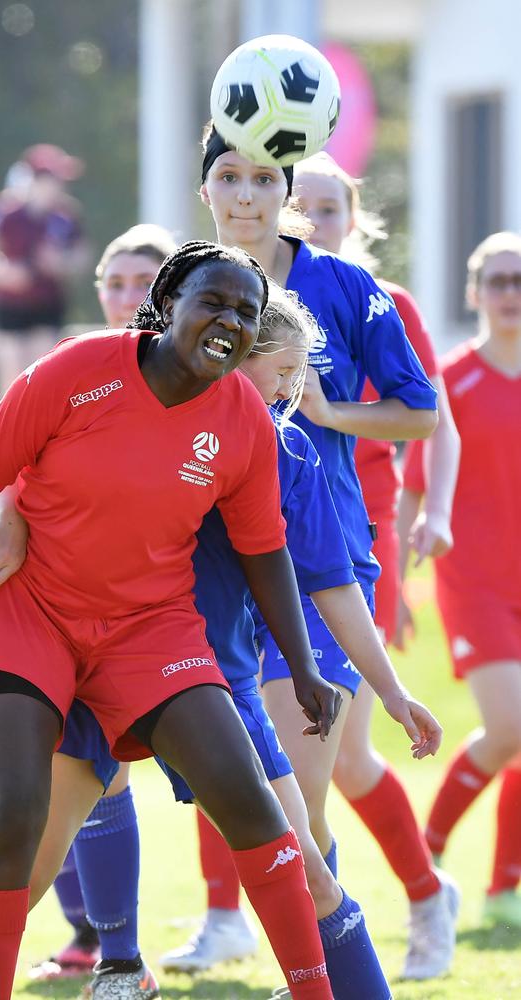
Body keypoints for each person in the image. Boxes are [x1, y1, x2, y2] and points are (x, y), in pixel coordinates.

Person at [0, 241, 346, 1000]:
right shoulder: (78, 369)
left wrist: (302, 669)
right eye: (214, 301)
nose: (229, 319)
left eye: (246, 311)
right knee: (11, 814)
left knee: (251, 802)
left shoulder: (244, 422)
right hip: (30, 610)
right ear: (168, 308)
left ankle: (315, 992)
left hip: (148, 627)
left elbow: (267, 554)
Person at [0, 282, 444, 1000]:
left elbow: (332, 586)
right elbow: (37, 461)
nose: (288, 395)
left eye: (296, 378)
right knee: (19, 866)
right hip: (93, 667)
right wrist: (10, 510)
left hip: (212, 682)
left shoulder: (288, 454)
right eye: (277, 374)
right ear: (227, 356)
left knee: (305, 865)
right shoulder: (137, 409)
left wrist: (394, 690)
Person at [181, 125, 444, 983]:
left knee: (298, 798)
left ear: (286, 189)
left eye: (265, 177)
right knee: (252, 801)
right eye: (230, 176)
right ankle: (145, 939)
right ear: (207, 189)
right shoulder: (188, 289)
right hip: (207, 580)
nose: (248, 195)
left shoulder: (346, 287)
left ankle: (329, 961)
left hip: (319, 569)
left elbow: (421, 412)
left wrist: (332, 417)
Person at [289, 152, 462, 980]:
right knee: (270, 749)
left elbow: (434, 417)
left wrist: (434, 509)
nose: (315, 221)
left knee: (338, 755)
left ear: (354, 221)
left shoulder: (375, 300)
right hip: (278, 540)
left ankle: (421, 900)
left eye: (330, 209)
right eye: (304, 206)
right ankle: (240, 921)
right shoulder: (258, 292)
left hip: (364, 537)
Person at [21, 222, 179, 985]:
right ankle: (97, 942)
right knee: (62, 768)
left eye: (142, 284)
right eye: (112, 283)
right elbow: (9, 463)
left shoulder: (199, 380)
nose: (125, 298)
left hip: (150, 615)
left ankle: (126, 951)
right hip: (53, 607)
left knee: (104, 771)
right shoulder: (70, 368)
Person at [400, 232, 521, 929]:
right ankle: (429, 855)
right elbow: (412, 491)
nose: (509, 294)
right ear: (475, 293)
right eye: (497, 281)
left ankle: (504, 890)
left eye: (519, 281)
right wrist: (391, 587)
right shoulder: (454, 382)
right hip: (475, 583)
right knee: (508, 728)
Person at [0, 143, 91, 399]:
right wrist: (2, 271)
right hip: (9, 305)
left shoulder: (66, 214)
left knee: (43, 373)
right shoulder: (5, 211)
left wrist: (61, 263)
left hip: (47, 305)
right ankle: (9, 435)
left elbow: (83, 255)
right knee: (11, 377)